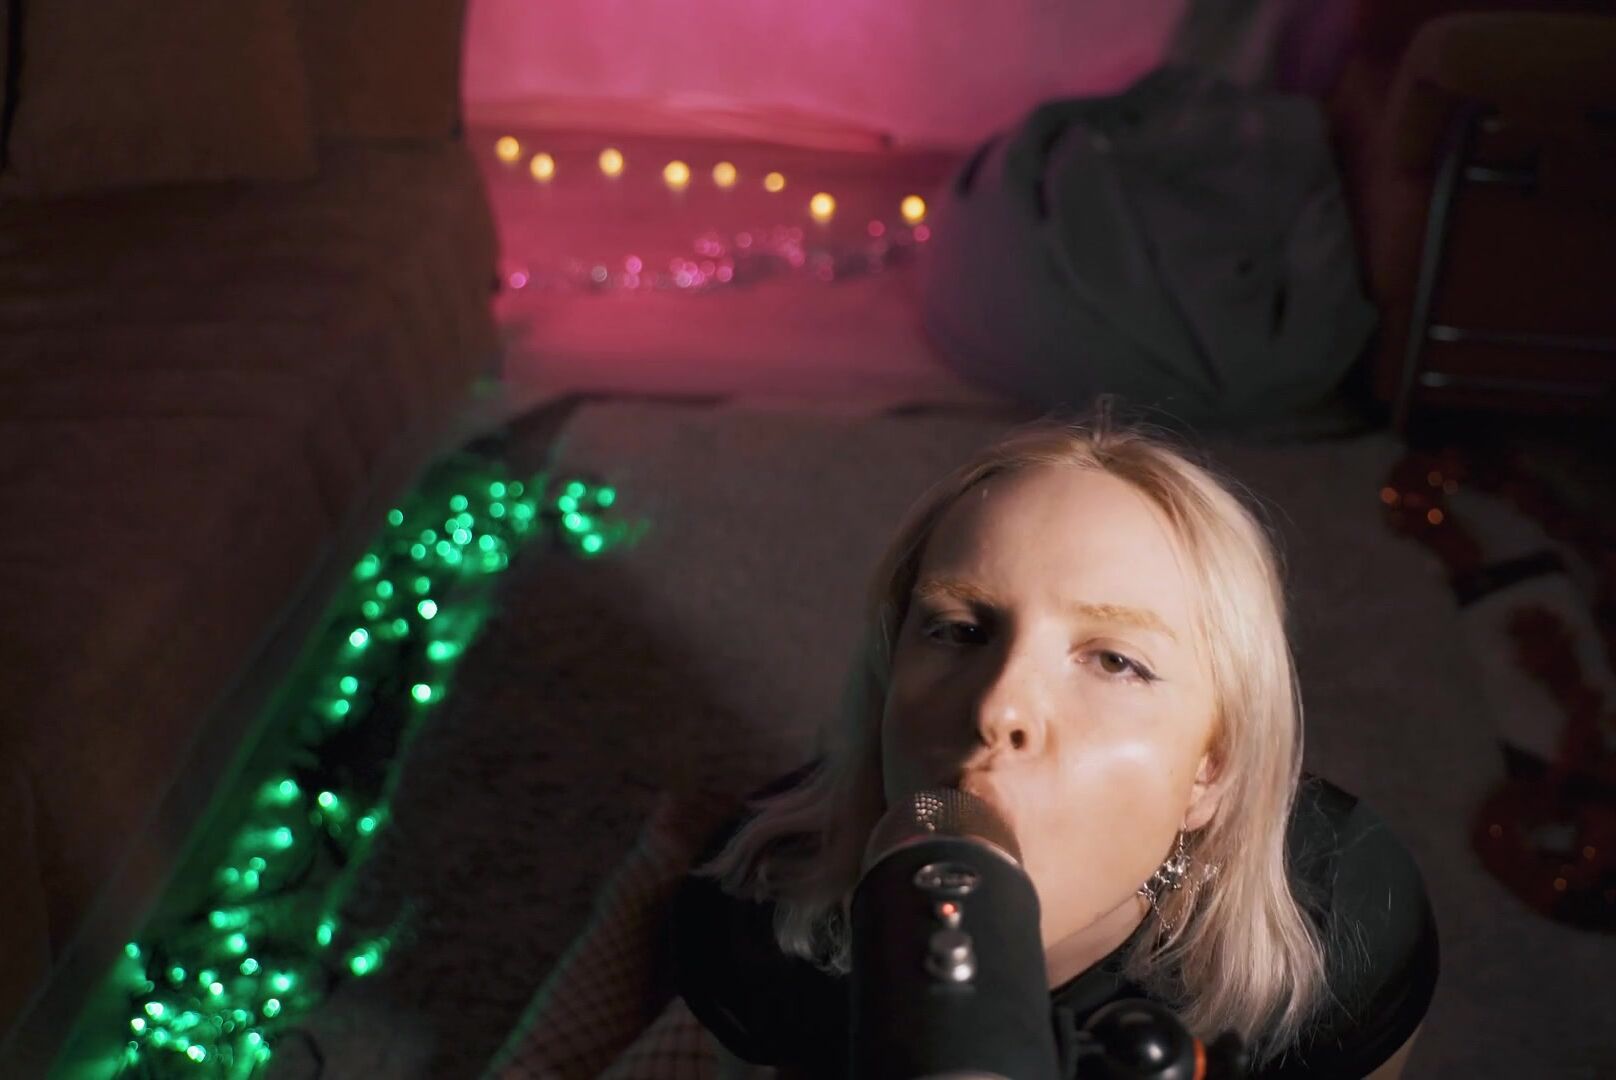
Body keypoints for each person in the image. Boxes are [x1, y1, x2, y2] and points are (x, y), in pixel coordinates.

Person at [671, 408, 1438, 1079]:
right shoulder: (754, 918)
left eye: (1115, 660)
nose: (997, 707)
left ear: (1213, 767)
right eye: (960, 630)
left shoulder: (1349, 922)